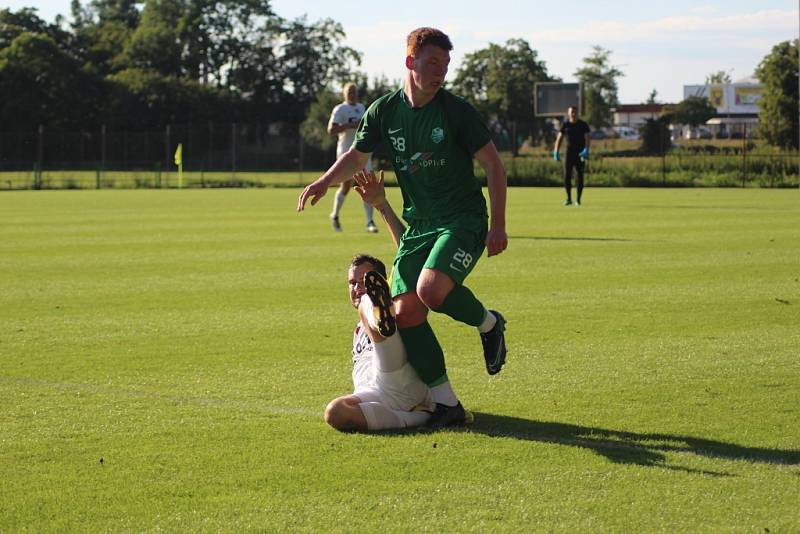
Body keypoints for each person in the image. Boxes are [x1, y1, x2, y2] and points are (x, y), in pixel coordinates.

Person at [299, 27, 508, 429]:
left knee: (429, 291)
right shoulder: (383, 111)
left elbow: (494, 166)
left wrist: (497, 225)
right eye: (432, 63)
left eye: (445, 65)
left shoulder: (456, 110)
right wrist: (324, 181)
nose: (440, 72)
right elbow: (357, 157)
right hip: (420, 224)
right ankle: (447, 404)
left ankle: (490, 323)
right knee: (405, 312)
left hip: (461, 218)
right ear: (410, 61)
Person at [327, 82, 378, 233]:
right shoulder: (340, 109)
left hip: (362, 151)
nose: (352, 94)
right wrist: (349, 125)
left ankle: (370, 221)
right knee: (346, 185)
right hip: (345, 151)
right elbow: (331, 129)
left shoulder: (362, 108)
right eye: (349, 92)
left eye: (354, 92)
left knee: (367, 185)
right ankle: (335, 215)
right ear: (344, 94)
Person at [553, 106, 591, 206]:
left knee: (579, 176)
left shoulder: (583, 125)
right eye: (571, 112)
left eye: (575, 112)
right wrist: (556, 151)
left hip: (580, 154)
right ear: (568, 113)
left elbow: (587, 138)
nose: (573, 114)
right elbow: (559, 138)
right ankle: (569, 198)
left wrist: (586, 149)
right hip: (569, 154)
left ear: (577, 113)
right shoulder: (565, 125)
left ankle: (578, 199)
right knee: (567, 176)